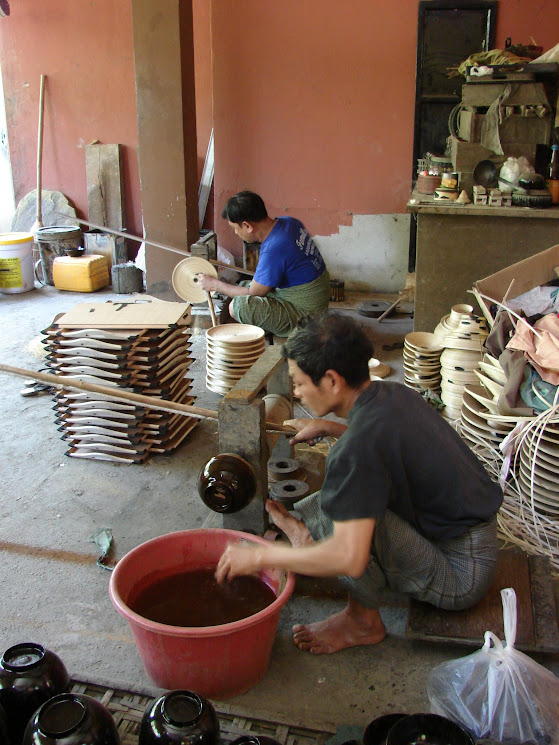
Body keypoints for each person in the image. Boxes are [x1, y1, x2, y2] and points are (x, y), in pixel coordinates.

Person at [215, 312, 503, 655]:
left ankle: (362, 620)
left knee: (336, 513)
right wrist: (331, 428)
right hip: (474, 540)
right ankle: (307, 538)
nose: (295, 392)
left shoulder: (357, 451)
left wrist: (263, 557)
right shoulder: (391, 394)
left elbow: (349, 559)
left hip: (460, 574)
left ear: (333, 381)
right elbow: (383, 444)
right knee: (342, 495)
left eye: (298, 381)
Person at [199, 191, 330, 337]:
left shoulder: (274, 248)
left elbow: (254, 293)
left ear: (247, 226)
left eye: (235, 228)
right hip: (318, 297)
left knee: (238, 307)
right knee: (242, 286)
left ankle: (277, 330)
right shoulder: (289, 222)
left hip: (307, 315)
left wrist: (215, 285)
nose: (236, 233)